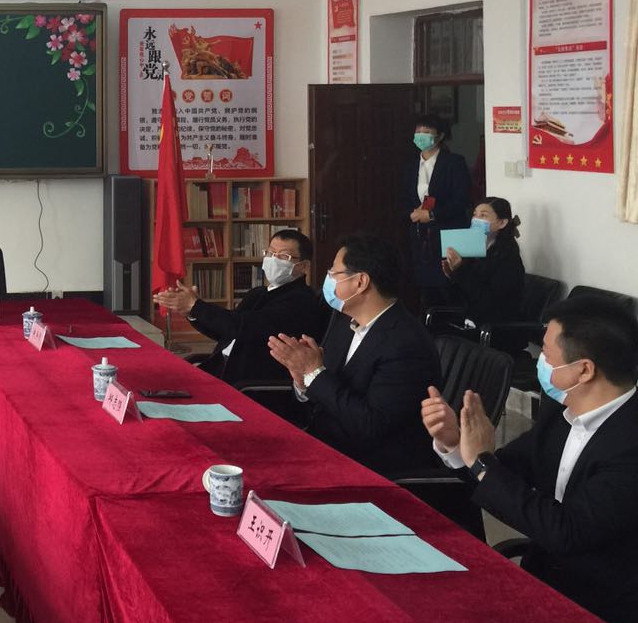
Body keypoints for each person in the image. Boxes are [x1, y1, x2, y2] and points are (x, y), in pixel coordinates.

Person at [421, 297, 638, 623]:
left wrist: (481, 462)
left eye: (547, 356)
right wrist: (457, 445)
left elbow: (567, 531)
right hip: (542, 584)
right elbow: (502, 472)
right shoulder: (561, 411)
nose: (540, 362)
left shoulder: (630, 442)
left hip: (605, 613)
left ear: (584, 370)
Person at [269, 232, 440, 477]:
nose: (328, 279)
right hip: (324, 445)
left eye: (334, 272)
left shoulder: (406, 343)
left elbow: (370, 425)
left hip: (372, 467)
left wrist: (313, 373)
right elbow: (327, 392)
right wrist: (302, 382)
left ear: (361, 282)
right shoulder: (344, 321)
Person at [156, 228, 330, 384]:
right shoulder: (258, 293)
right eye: (270, 253)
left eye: (284, 256)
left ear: (304, 266)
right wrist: (191, 312)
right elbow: (226, 331)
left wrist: (197, 306)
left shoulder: (301, 301)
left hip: (247, 384)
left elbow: (243, 326)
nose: (273, 260)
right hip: (219, 370)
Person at [404, 113, 470, 310]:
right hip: (421, 236)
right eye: (418, 131)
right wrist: (412, 213)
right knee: (425, 291)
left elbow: (462, 200)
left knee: (448, 288)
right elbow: (404, 197)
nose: (421, 136)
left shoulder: (454, 162)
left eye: (426, 132)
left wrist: (433, 214)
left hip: (447, 233)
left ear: (439, 136)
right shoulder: (410, 165)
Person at [440, 195, 525, 328]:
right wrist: (452, 275)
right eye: (475, 215)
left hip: (494, 327)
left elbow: (488, 301)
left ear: (502, 223)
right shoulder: (472, 252)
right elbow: (457, 299)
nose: (476, 219)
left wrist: (460, 272)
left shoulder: (509, 258)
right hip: (469, 321)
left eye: (483, 215)